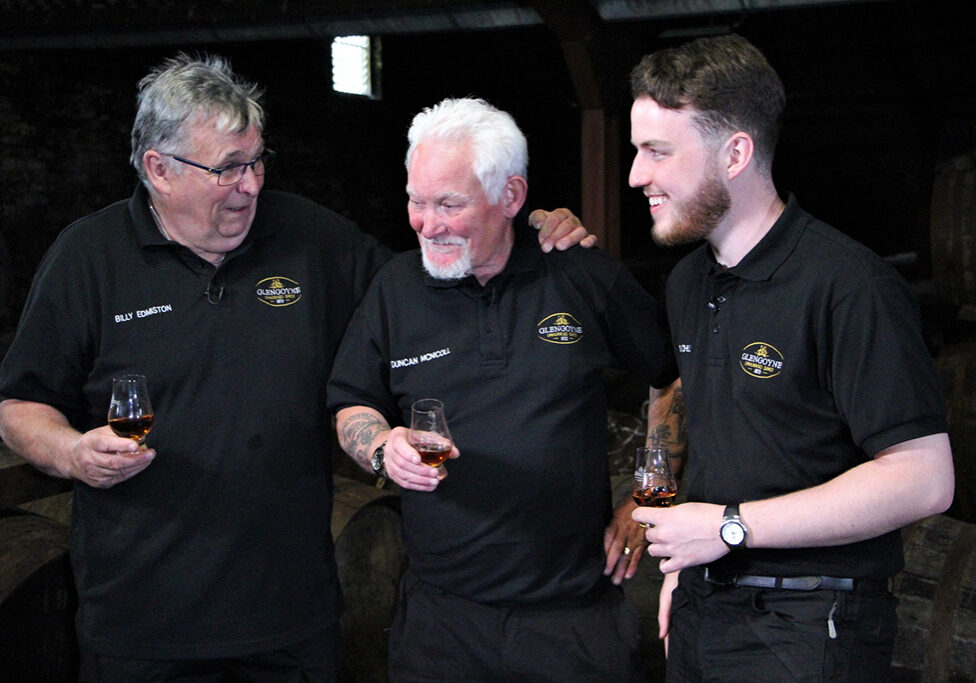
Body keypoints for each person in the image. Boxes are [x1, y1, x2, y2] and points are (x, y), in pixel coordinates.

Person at [0, 54, 591, 681]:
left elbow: (432, 283)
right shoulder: (87, 258)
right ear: (159, 170)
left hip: (291, 621)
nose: (252, 185)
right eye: (228, 169)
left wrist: (518, 225)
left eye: (256, 161)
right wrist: (71, 454)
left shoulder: (312, 238)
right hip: (140, 624)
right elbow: (19, 406)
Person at [624, 34, 955, 681]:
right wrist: (690, 563)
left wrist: (725, 528)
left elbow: (925, 478)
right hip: (701, 605)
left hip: (811, 621)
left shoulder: (848, 284)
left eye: (658, 151)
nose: (637, 174)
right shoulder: (688, 282)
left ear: (736, 152)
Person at [326, 96, 678, 682]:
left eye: (449, 204)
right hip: (441, 623)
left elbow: (670, 374)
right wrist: (383, 444)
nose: (424, 222)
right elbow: (350, 402)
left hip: (574, 621)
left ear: (511, 197)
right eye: (415, 201)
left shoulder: (581, 276)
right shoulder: (396, 289)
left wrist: (651, 495)